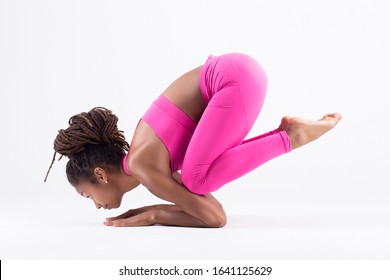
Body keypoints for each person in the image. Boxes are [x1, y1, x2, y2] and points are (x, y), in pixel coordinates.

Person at [44, 53, 342, 228]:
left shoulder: (144, 167)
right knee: (195, 179)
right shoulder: (147, 162)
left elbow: (215, 218)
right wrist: (145, 210)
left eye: (88, 196)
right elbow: (207, 206)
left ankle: (291, 137)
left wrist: (151, 216)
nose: (96, 206)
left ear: (100, 175)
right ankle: (287, 134)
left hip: (232, 80)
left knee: (196, 179)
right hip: (239, 75)